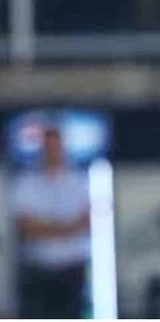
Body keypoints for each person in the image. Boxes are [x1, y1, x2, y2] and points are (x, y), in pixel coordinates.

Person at [11, 127, 90, 319]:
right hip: (38, 270)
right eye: (48, 147)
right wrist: (66, 229)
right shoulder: (25, 182)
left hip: (72, 269)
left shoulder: (80, 181)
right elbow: (25, 227)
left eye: (56, 147)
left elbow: (85, 222)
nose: (53, 152)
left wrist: (45, 229)